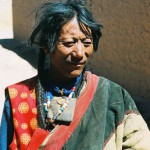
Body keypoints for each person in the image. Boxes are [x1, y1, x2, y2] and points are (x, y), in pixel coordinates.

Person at [0, 0, 150, 149]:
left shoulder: (114, 96)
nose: (80, 53)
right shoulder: (18, 98)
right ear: (46, 46)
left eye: (86, 43)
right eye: (69, 43)